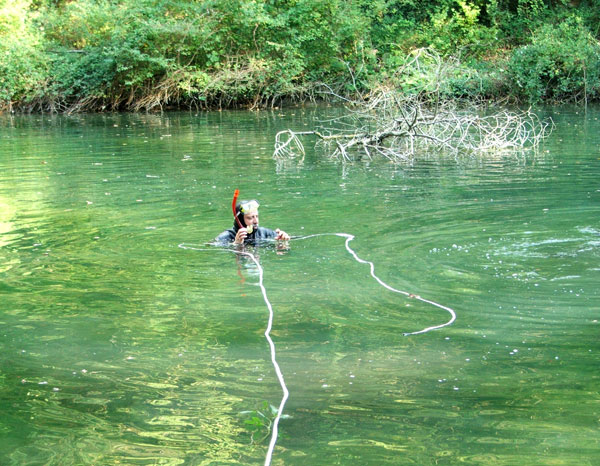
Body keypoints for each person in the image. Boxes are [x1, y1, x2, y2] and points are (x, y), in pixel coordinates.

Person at [215, 199, 290, 245]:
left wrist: (283, 240)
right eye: (250, 218)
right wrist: (236, 244)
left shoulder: (264, 233)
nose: (255, 221)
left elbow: (283, 251)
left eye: (256, 216)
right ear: (240, 221)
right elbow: (210, 248)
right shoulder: (226, 237)